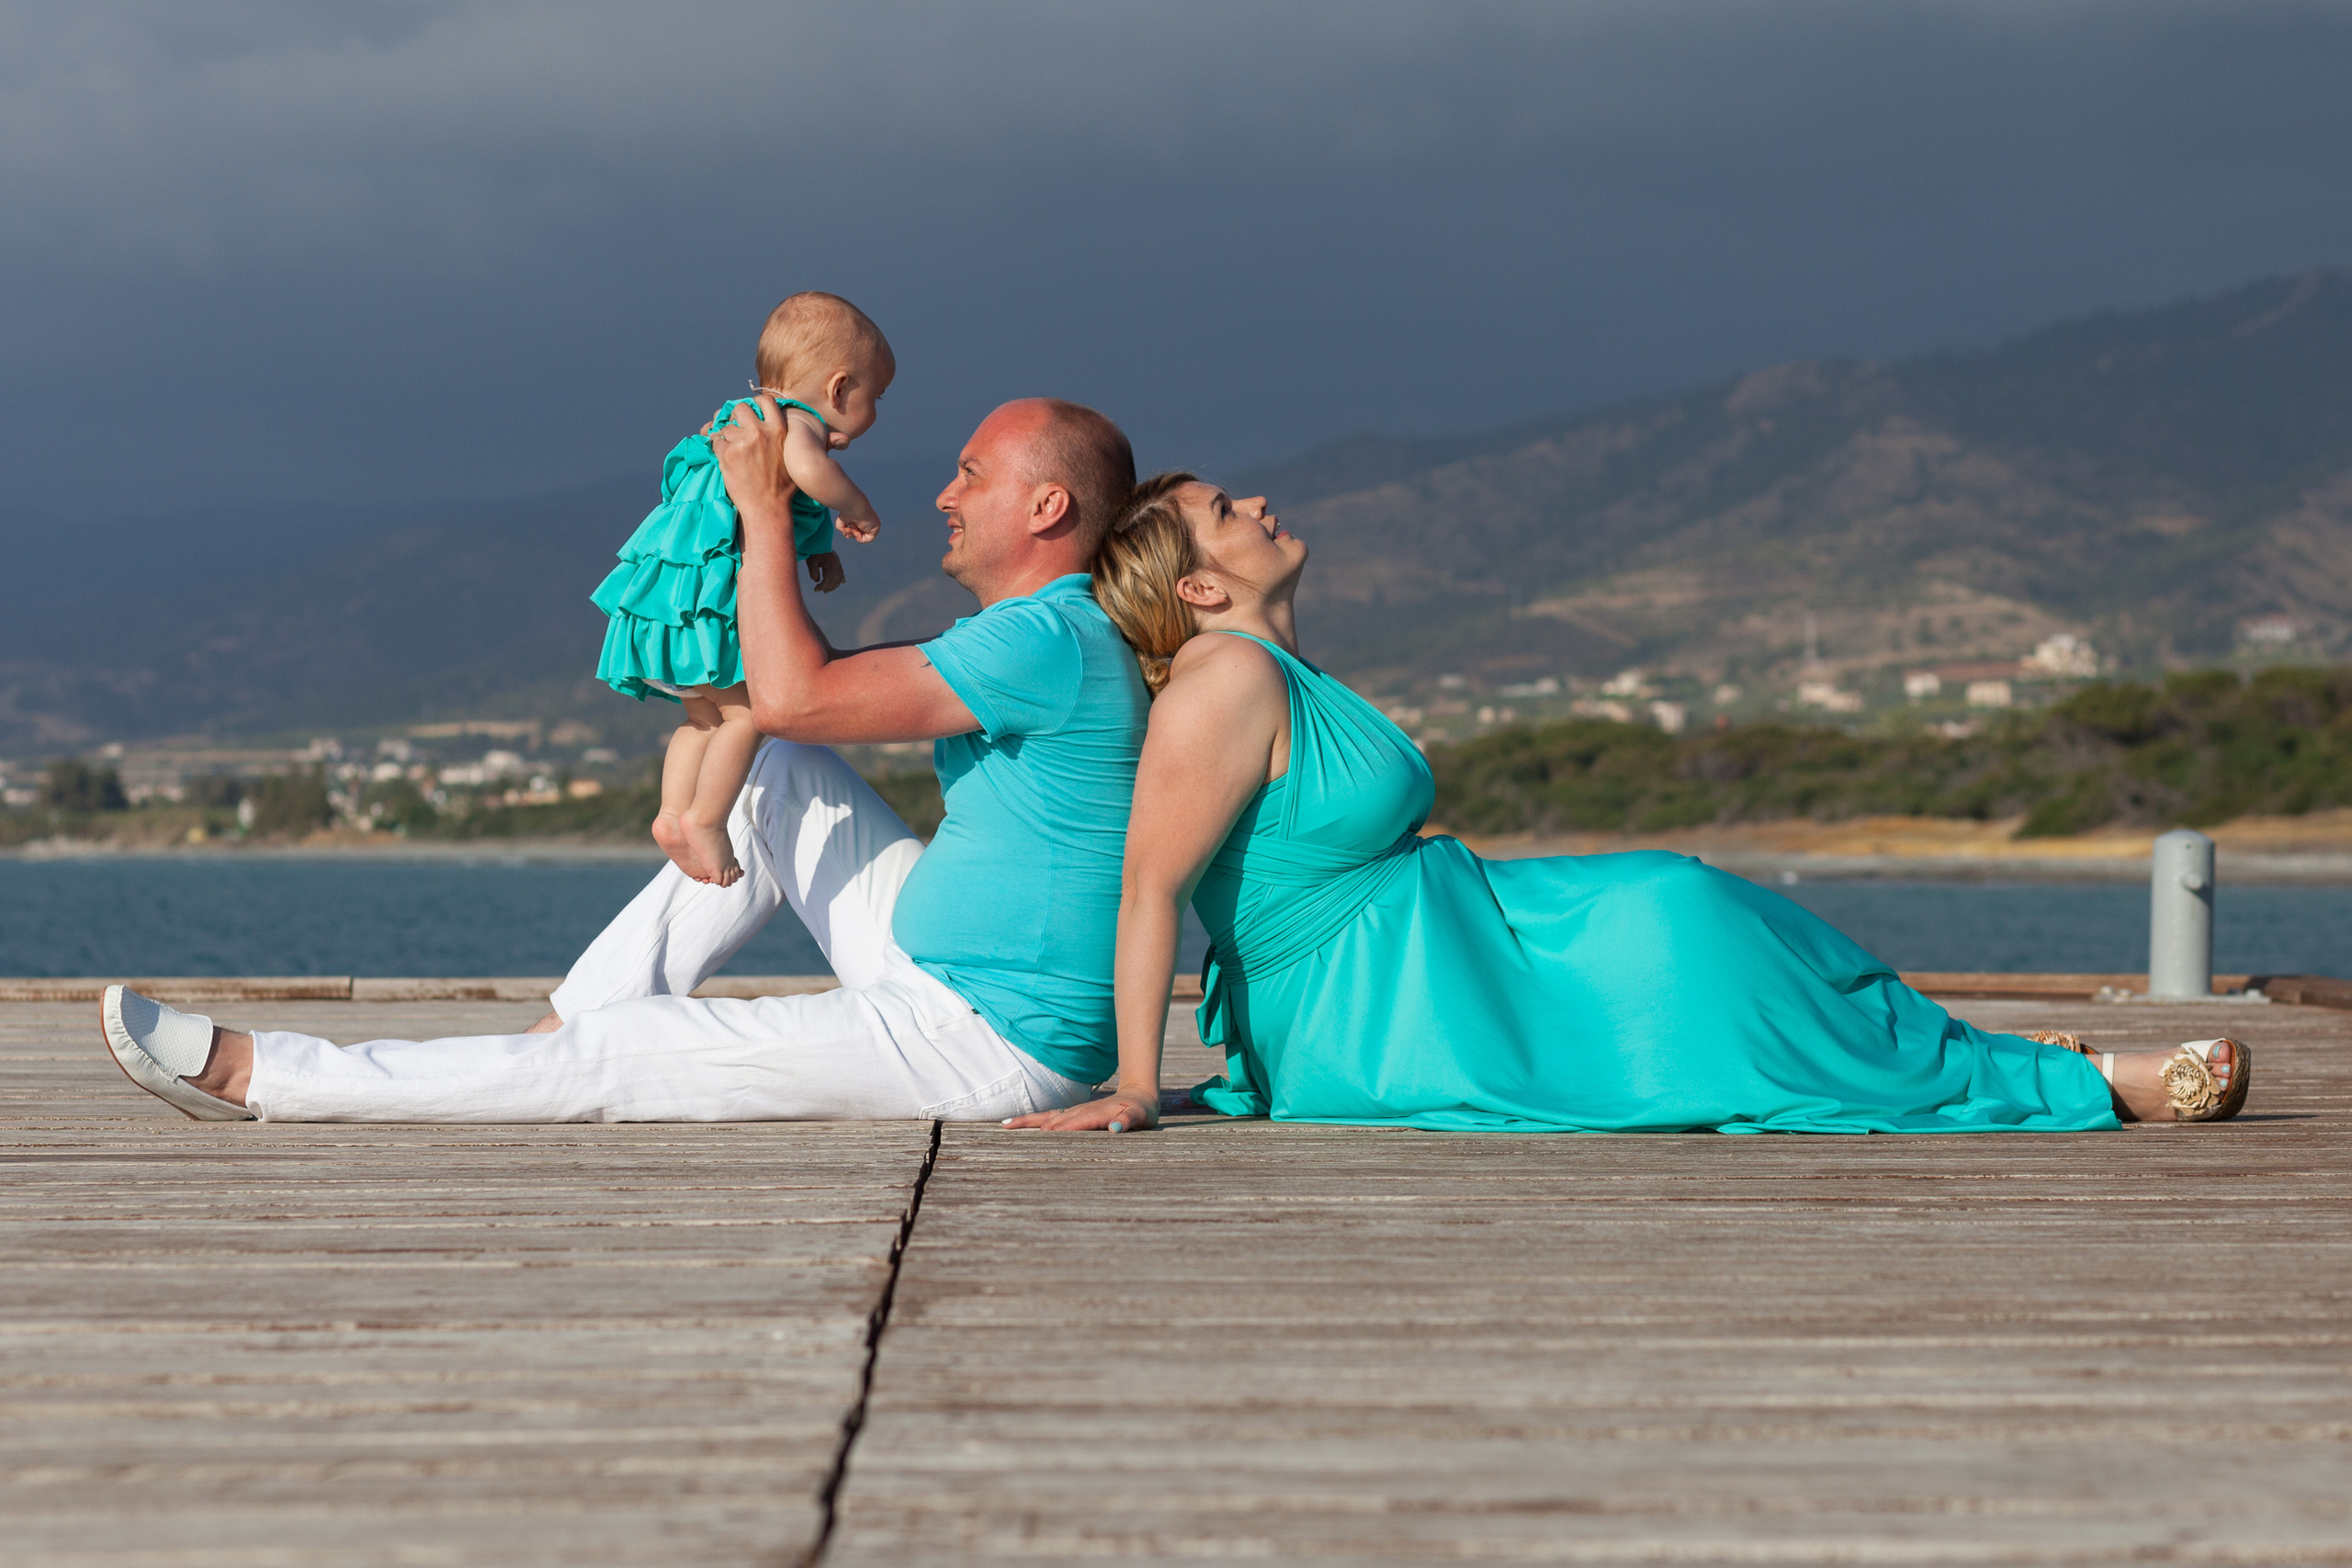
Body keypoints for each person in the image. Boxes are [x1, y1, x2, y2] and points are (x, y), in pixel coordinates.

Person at [1011, 472, 2252, 1135]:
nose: (1261, 503)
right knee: (1681, 931)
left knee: (1695, 904)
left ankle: (2029, 1063)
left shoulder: (1279, 670)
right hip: (1381, 1002)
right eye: (1228, 514)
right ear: (1204, 591)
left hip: (1445, 940)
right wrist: (1136, 1079)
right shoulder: (1221, 682)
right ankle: (2076, 1079)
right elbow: (1150, 885)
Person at [100, 398, 1148, 1126]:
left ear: (1047, 507)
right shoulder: (1044, 630)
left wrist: (760, 508)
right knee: (779, 781)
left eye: (972, 474)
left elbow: (789, 694)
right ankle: (566, 1027)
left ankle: (260, 1075)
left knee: (634, 1056)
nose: (943, 494)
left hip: (981, 1046)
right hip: (945, 980)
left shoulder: (1041, 639)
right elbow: (791, 707)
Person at [593, 291, 892, 887]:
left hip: (668, 605)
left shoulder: (738, 419)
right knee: (747, 715)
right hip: (716, 611)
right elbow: (805, 472)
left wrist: (818, 550)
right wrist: (854, 508)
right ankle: (707, 818)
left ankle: (671, 814)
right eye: (874, 397)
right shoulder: (796, 423)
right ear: (837, 390)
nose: (876, 412)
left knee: (700, 718)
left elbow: (749, 503)